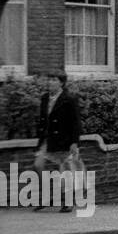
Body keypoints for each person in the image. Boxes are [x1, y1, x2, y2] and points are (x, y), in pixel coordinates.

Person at [35, 72, 82, 213]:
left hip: (64, 141)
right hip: (47, 139)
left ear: (61, 83)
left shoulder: (69, 99)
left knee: (65, 172)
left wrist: (74, 142)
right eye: (49, 80)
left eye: (53, 80)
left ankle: (68, 202)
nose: (50, 83)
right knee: (38, 165)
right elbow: (43, 119)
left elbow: (76, 123)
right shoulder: (44, 98)